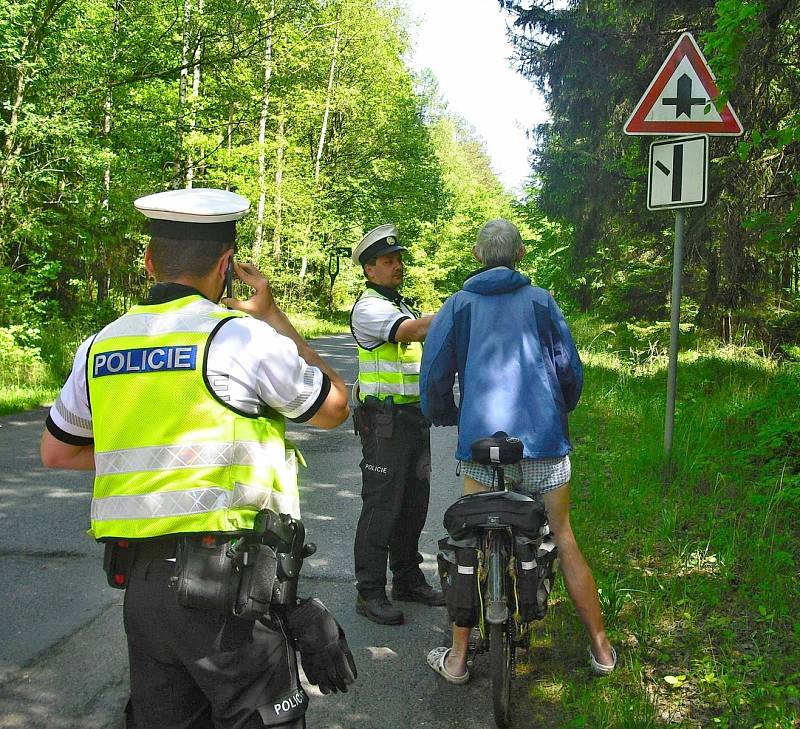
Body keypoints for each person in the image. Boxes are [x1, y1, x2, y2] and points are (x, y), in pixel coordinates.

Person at [40, 188, 357, 729]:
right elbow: (334, 408)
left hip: (143, 592)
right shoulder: (240, 338)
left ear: (147, 261)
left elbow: (57, 450)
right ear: (228, 265)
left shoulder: (100, 345)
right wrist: (275, 314)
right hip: (230, 595)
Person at [419, 219, 616, 683]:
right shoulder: (542, 302)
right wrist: (558, 409)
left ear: (475, 254)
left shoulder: (458, 305)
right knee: (563, 537)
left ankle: (459, 660)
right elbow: (569, 369)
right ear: (521, 254)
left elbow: (433, 374)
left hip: (482, 450)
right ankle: (603, 651)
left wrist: (447, 415)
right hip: (544, 445)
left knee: (467, 543)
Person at [348, 223, 445, 625]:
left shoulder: (398, 302)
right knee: (382, 506)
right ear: (369, 270)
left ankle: (407, 579)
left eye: (399, 260)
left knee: (412, 505)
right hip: (384, 421)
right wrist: (463, 305)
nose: (397, 266)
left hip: (411, 418)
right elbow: (413, 330)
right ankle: (369, 591)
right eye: (388, 261)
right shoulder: (370, 308)